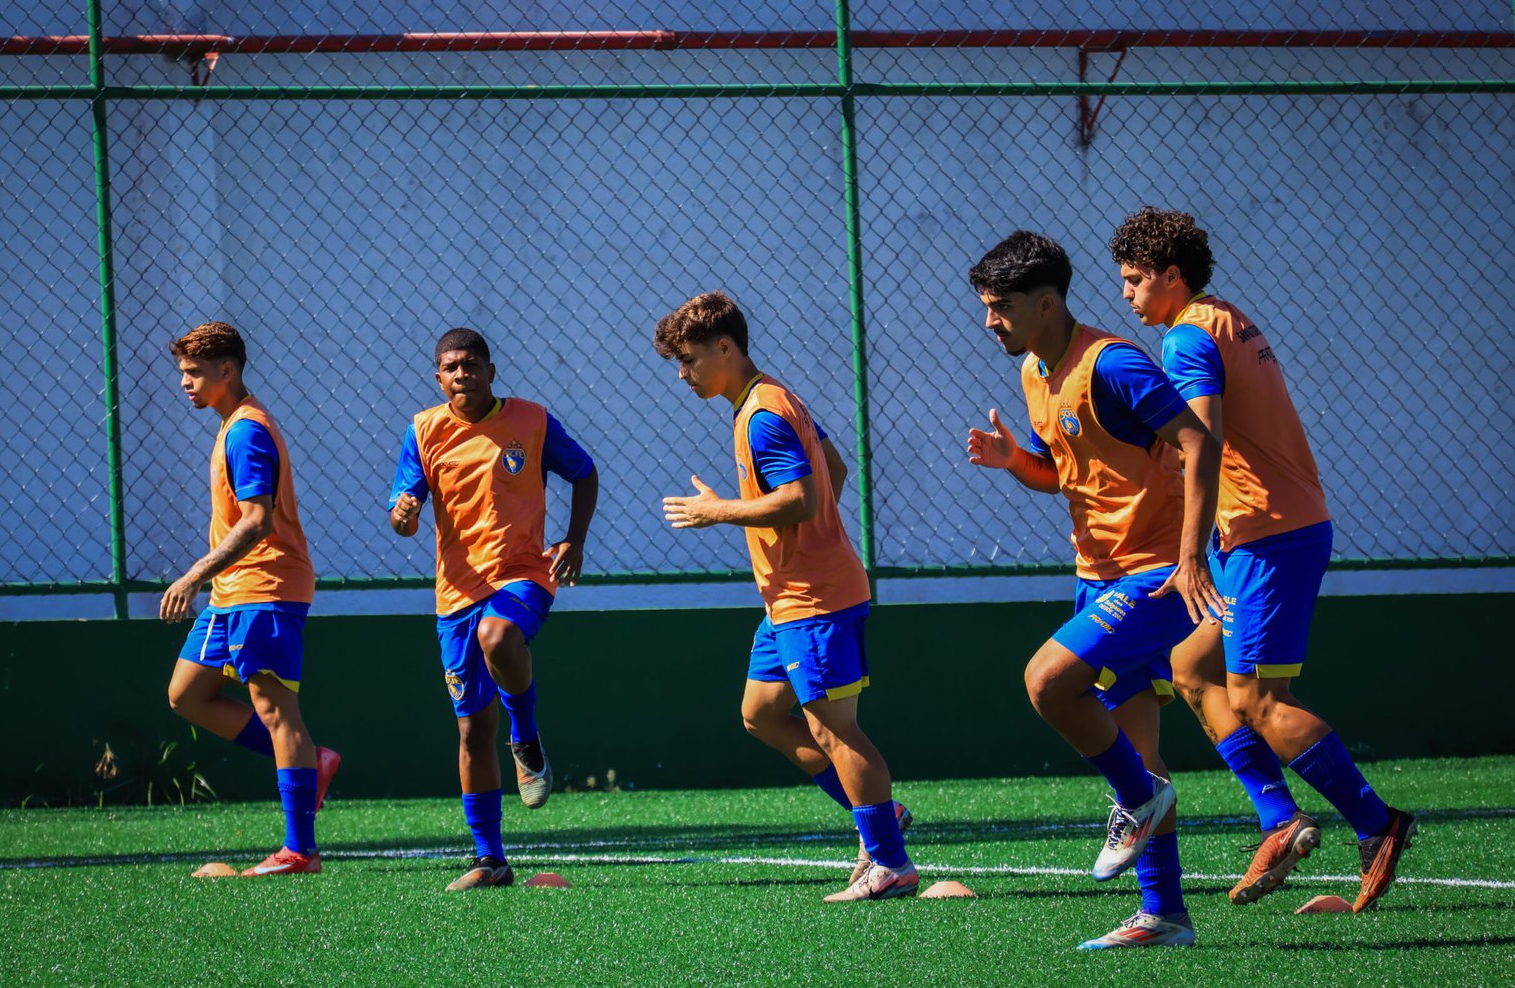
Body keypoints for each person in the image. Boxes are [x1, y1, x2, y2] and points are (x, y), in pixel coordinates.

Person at [1109, 206, 1415, 911]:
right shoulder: (1226, 318)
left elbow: (1202, 444)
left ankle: (1378, 823)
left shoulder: (1187, 337)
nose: (1125, 294)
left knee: (1258, 699)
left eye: (1134, 279)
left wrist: (1188, 553)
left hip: (1266, 534)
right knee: (1191, 667)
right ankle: (1280, 817)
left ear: (1172, 276)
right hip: (1269, 529)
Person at [965, 231, 1224, 948]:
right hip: (1096, 576)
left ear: (1047, 303)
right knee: (1136, 748)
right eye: (986, 306)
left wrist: (1192, 557)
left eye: (1001, 306)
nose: (989, 321)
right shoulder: (1034, 371)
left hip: (1157, 573)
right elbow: (1064, 473)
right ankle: (1164, 914)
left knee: (1047, 682)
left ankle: (1141, 799)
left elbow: (1200, 441)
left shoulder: (1113, 363)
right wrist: (1015, 461)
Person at [655, 291, 915, 903]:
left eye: (688, 360)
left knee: (836, 732)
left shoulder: (763, 415)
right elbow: (833, 468)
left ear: (725, 348)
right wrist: (804, 542)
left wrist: (719, 511)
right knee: (763, 714)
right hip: (789, 600)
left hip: (813, 601)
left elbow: (802, 497)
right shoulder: (768, 398)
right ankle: (881, 813)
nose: (682, 375)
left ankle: (889, 863)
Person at [389, 327, 598, 891]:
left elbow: (583, 472)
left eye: (472, 364)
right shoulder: (423, 431)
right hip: (455, 592)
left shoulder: (532, 420)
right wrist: (404, 516)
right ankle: (490, 859)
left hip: (524, 573)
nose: (463, 374)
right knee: (471, 730)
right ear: (439, 378)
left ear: (491, 370)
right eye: (451, 367)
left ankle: (525, 735)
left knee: (498, 636)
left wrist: (574, 540)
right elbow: (402, 512)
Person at [161, 321, 339, 877]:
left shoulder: (246, 431)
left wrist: (193, 575)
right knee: (187, 694)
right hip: (231, 592)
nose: (185, 383)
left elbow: (257, 520)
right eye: (183, 372)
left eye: (194, 373)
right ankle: (312, 760)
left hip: (265, 587)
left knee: (277, 711)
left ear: (227, 370)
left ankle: (300, 851)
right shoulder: (230, 426)